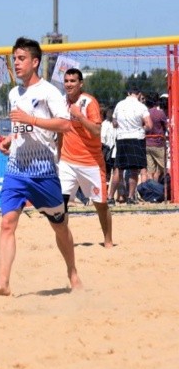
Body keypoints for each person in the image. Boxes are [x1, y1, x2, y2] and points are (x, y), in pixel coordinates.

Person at [0, 37, 82, 297]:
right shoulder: (14, 93)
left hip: (43, 171)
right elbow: (21, 128)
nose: (16, 63)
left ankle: (72, 272)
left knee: (60, 225)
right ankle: (3, 282)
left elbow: (65, 125)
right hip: (16, 168)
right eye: (14, 59)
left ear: (35, 61)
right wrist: (8, 139)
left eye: (21, 58)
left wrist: (31, 119)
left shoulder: (49, 91)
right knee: (7, 223)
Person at [58, 68, 112, 248]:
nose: (69, 84)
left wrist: (79, 116)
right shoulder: (61, 102)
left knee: (101, 205)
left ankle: (108, 240)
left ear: (81, 83)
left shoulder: (89, 102)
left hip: (91, 163)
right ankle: (65, 240)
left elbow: (97, 131)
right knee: (61, 203)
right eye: (66, 81)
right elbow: (60, 131)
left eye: (73, 81)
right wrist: (59, 156)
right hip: (67, 161)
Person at [110, 86, 152, 204]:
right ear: (139, 94)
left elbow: (114, 122)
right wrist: (140, 128)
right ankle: (130, 197)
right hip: (136, 138)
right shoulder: (141, 106)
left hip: (122, 138)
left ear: (128, 93)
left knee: (118, 169)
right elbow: (149, 125)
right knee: (134, 170)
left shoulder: (119, 105)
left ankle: (110, 197)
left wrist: (120, 126)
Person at [144, 94, 167, 181]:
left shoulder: (146, 113)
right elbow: (167, 126)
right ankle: (161, 189)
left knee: (150, 170)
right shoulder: (160, 113)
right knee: (162, 169)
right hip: (158, 144)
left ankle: (152, 190)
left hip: (148, 144)